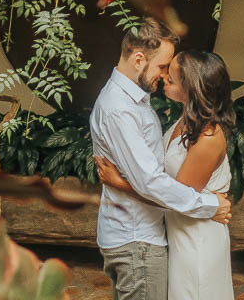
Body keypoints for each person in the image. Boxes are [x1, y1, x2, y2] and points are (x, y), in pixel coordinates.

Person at [90, 18, 231, 300]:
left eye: (171, 73)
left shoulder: (140, 103)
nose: (165, 76)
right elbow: (153, 182)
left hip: (187, 241)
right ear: (139, 60)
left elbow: (157, 183)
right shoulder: (121, 109)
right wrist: (210, 204)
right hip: (140, 239)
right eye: (163, 68)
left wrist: (122, 183)